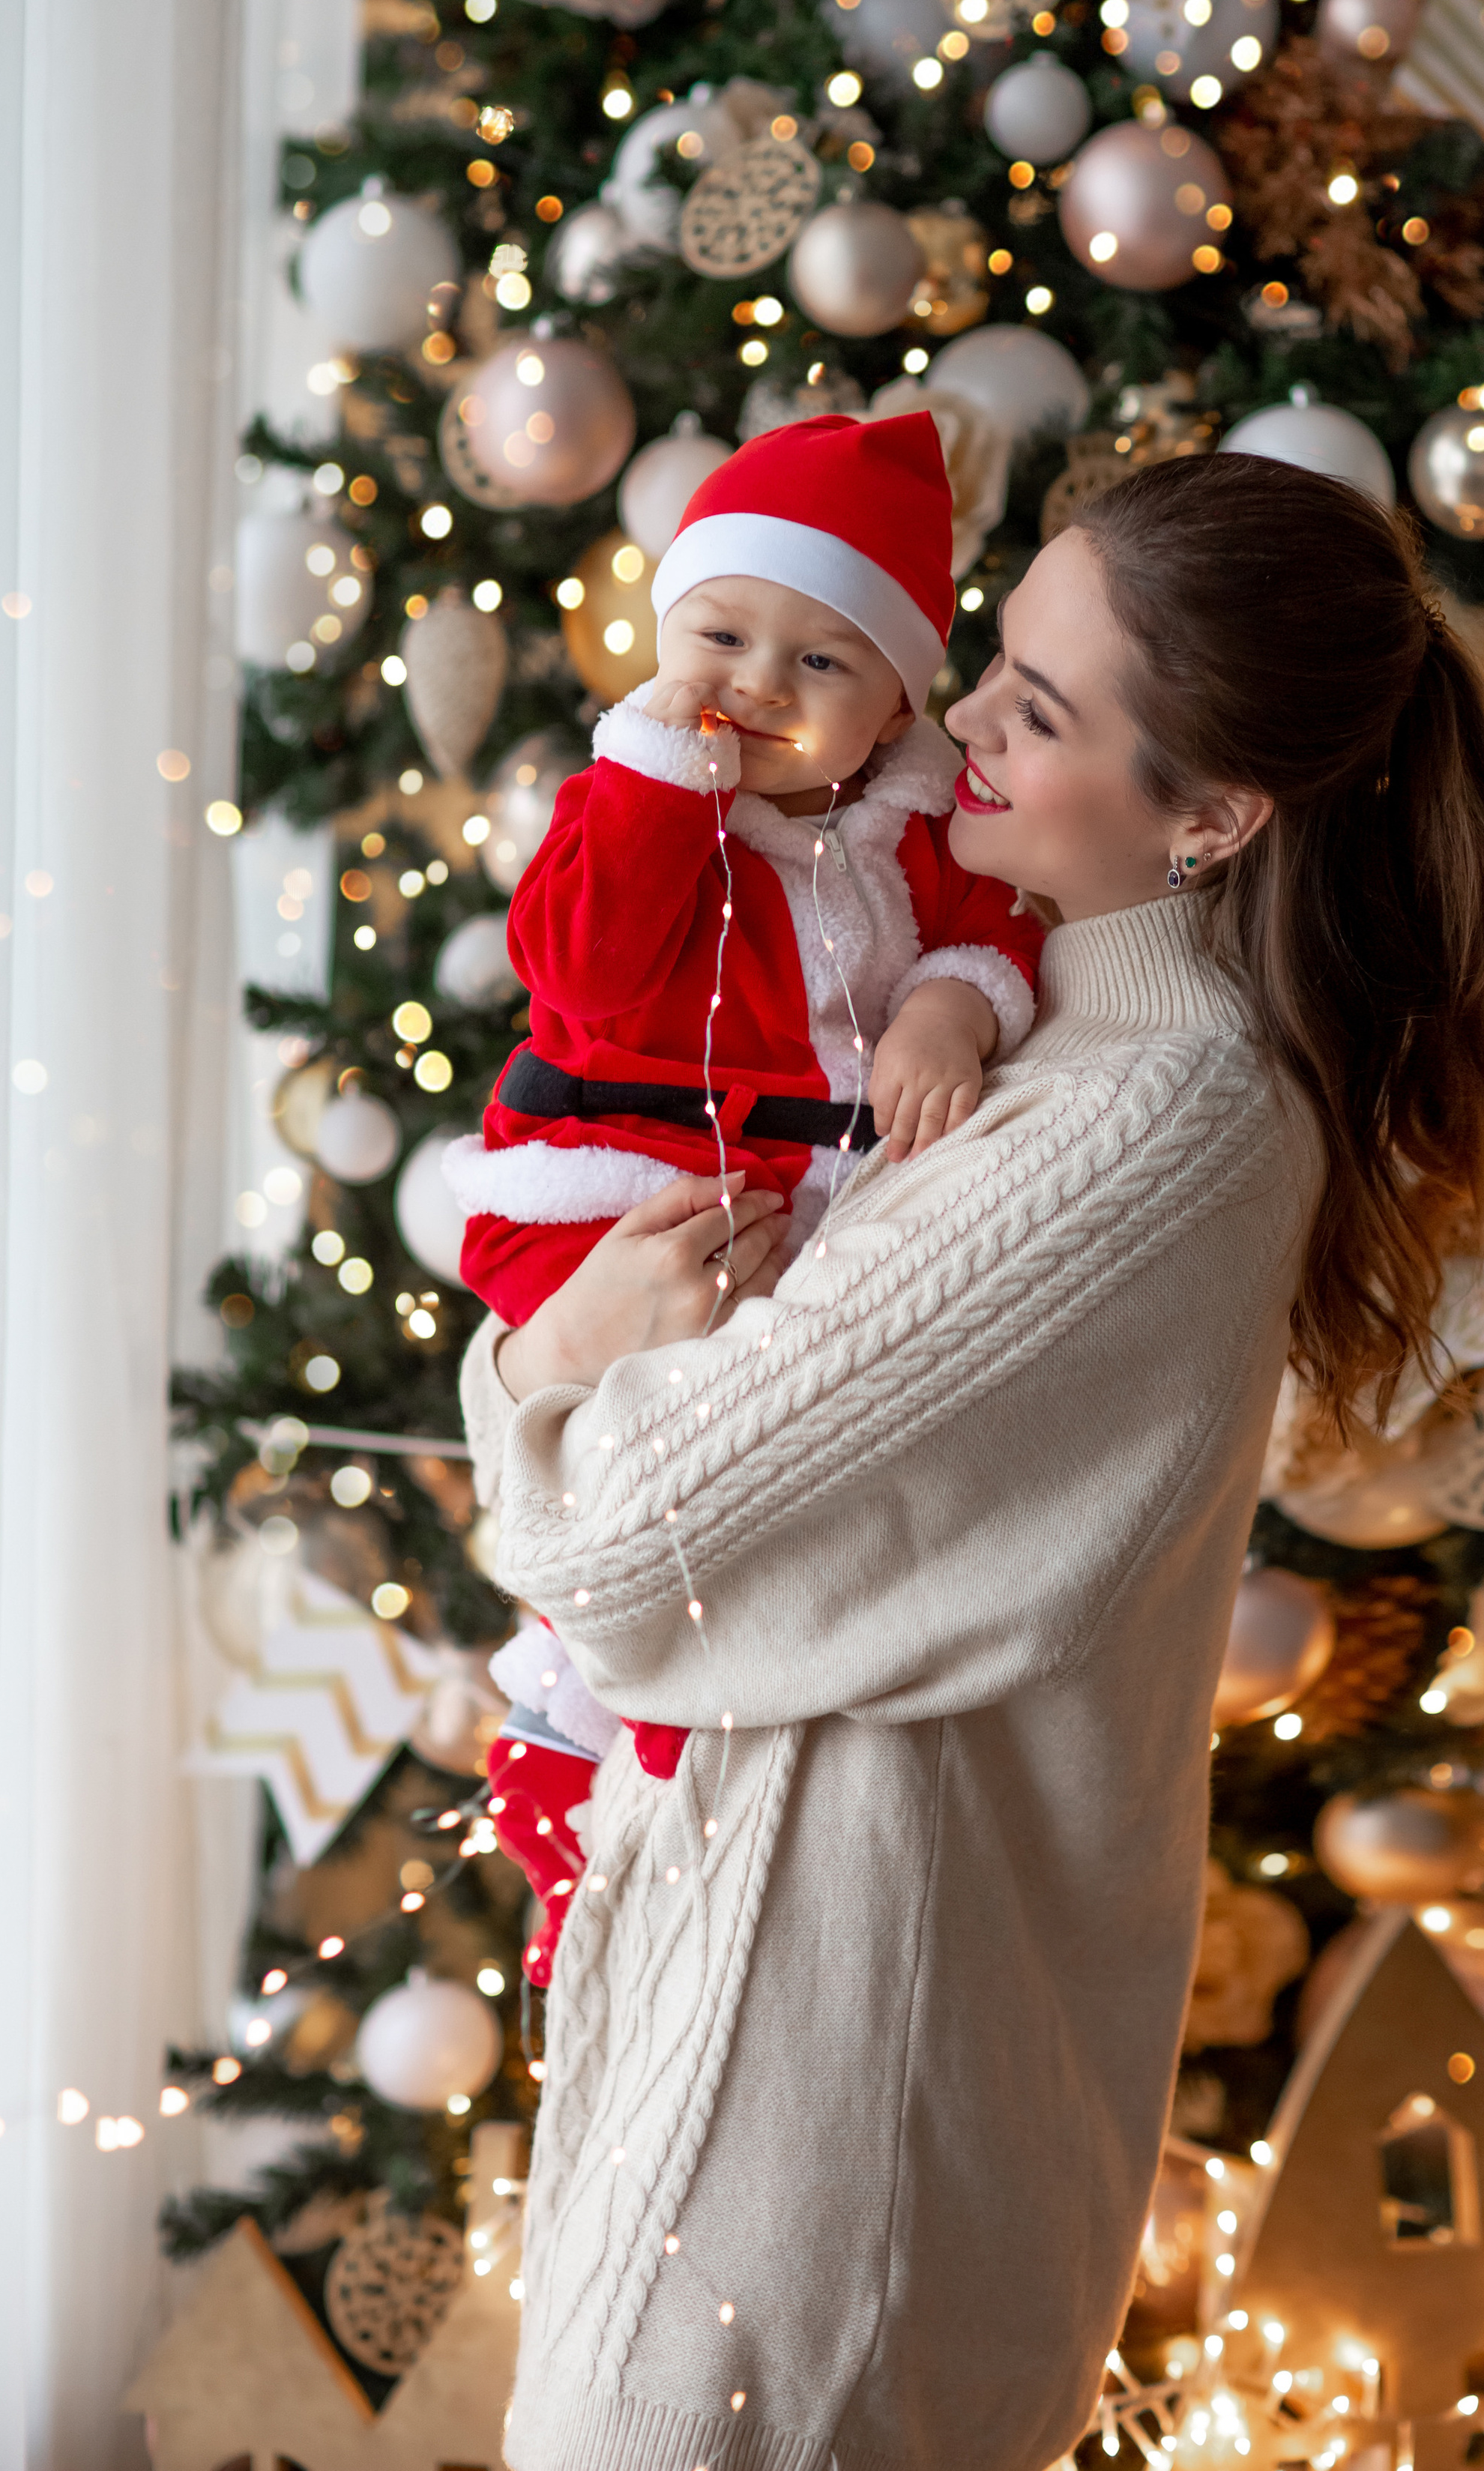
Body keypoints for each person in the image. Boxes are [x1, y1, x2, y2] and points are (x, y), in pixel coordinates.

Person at [458, 450, 1484, 2471]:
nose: (955, 716)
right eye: (1001, 664)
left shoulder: (1142, 1132)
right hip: (785, 2118)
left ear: (1212, 817)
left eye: (1037, 712)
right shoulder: (1042, 1030)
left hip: (810, 2208)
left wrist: (541, 1359)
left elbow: (614, 1543)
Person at [447, 410, 1042, 1962]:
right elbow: (569, 971)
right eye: (718, 635)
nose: (755, 687)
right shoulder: (633, 802)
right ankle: (576, 1735)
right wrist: (658, 784)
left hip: (794, 1212)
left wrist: (953, 1000)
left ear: (899, 697)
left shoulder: (922, 834)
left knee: (745, 1473)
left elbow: (1004, 934)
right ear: (660, 640)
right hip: (601, 1201)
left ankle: (657, 1731)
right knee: (636, 1462)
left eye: (819, 663)